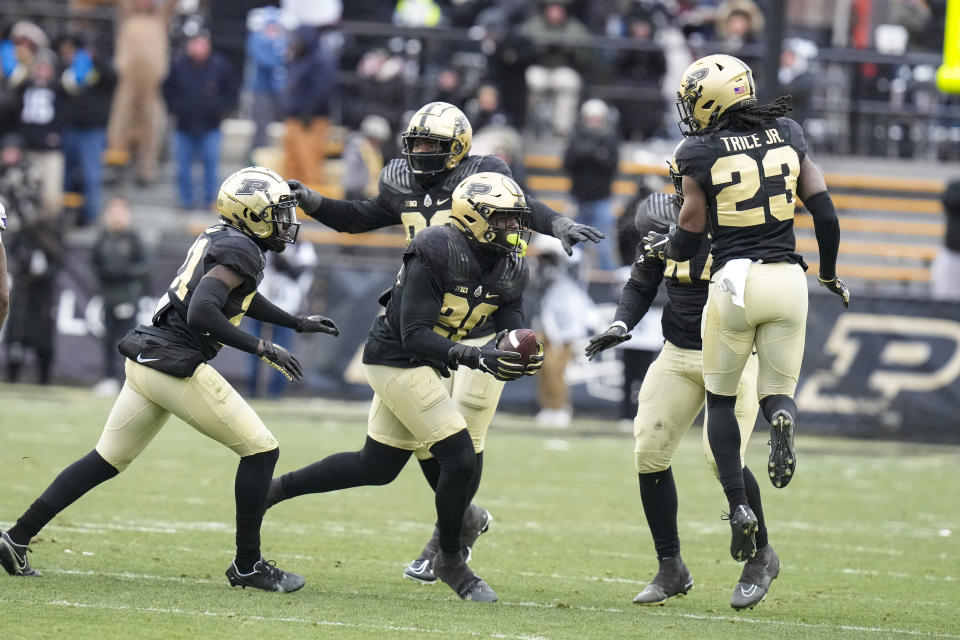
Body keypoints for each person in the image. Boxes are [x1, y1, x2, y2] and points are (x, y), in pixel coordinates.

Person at [281, 101, 603, 584]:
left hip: (482, 326)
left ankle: (445, 542)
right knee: (398, 457)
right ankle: (462, 522)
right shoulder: (402, 184)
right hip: (424, 325)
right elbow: (356, 217)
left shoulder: (485, 178)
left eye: (434, 145)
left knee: (460, 446)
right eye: (417, 144)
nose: (423, 153)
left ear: (459, 150)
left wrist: (556, 226)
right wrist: (310, 200)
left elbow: (523, 208)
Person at [0, 167, 340, 592]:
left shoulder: (223, 236)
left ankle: (16, 537)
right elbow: (203, 312)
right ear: (250, 214)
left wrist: (295, 323)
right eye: (275, 213)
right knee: (261, 450)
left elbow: (237, 297)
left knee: (106, 458)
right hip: (174, 363)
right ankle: (248, 565)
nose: (285, 223)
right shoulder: (243, 249)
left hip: (149, 357)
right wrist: (264, 348)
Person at [268, 172, 542, 601]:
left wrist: (519, 349)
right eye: (504, 219)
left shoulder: (511, 263)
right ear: (474, 217)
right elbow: (413, 334)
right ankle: (452, 560)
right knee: (460, 458)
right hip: (395, 358)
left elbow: (511, 320)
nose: (513, 228)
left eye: (515, 219)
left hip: (429, 361)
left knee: (376, 467)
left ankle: (272, 490)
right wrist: (476, 356)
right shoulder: (436, 247)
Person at [642, 54, 849, 608]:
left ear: (710, 99)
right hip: (788, 279)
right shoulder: (788, 130)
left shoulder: (698, 151)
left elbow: (688, 225)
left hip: (733, 284)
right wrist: (827, 272)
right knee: (776, 390)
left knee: (720, 402)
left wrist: (676, 249)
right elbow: (825, 213)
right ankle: (782, 414)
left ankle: (738, 503)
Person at [586, 184, 765, 609]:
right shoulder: (659, 232)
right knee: (649, 450)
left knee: (721, 456)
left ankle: (761, 558)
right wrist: (619, 324)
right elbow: (640, 284)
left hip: (734, 355)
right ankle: (671, 567)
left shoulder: (733, 234)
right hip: (678, 353)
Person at [162, 29, 237, 211]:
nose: (198, 48)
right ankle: (185, 199)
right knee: (183, 167)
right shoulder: (179, 65)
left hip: (211, 125)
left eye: (202, 44)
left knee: (211, 165)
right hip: (184, 125)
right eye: (195, 43)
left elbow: (232, 91)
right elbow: (166, 89)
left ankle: (210, 200)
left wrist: (219, 108)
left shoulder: (220, 65)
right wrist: (177, 107)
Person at [91, 196, 149, 395]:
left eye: (120, 212)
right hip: (108, 296)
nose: (116, 217)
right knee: (107, 339)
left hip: (127, 296)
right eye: (113, 212)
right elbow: (93, 262)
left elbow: (145, 266)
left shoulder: (134, 238)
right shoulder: (103, 237)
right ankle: (108, 378)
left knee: (128, 339)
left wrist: (126, 273)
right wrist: (104, 273)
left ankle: (128, 380)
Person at [58, 33, 117, 226]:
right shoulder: (71, 69)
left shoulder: (104, 70)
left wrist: (95, 59)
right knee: (65, 174)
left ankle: (91, 217)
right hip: (70, 129)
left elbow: (112, 77)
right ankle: (63, 214)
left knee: (91, 177)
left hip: (92, 132)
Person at [247, 240, 317, 398]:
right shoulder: (264, 242)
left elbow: (298, 271)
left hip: (287, 306)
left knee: (282, 351)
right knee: (253, 347)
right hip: (261, 303)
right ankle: (252, 391)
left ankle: (275, 394)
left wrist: (283, 256)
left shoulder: (302, 246)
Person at [563, 99, 620, 270]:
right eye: (590, 118)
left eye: (597, 119)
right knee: (573, 248)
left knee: (604, 247)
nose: (593, 123)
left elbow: (611, 165)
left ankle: (610, 286)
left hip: (600, 200)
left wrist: (587, 154)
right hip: (577, 200)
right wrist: (594, 154)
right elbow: (567, 162)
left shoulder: (610, 139)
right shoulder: (575, 137)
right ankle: (570, 281)